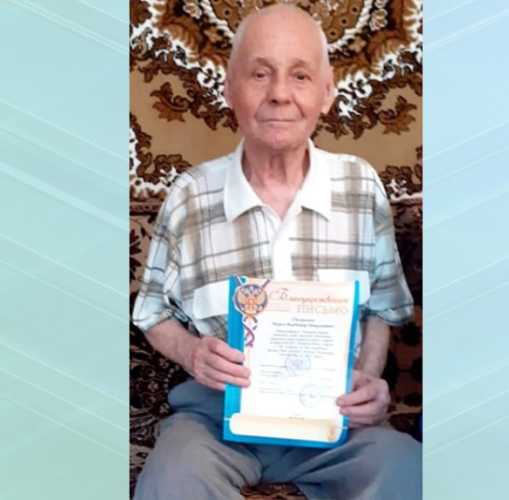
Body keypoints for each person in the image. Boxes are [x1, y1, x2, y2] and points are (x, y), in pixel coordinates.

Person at [131, 5, 422, 499]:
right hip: (215, 422)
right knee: (172, 481)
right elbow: (153, 313)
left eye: (300, 76)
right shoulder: (190, 194)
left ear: (327, 92)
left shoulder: (359, 186)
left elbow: (383, 307)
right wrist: (193, 353)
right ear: (230, 88)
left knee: (410, 472)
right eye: (260, 74)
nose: (280, 94)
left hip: (334, 420)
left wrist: (368, 380)